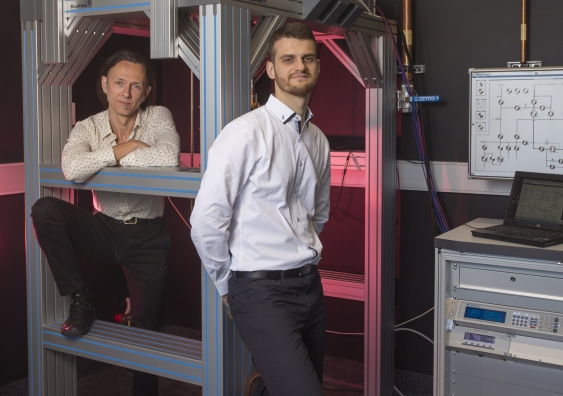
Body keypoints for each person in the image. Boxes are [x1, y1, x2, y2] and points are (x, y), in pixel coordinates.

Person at [190, 23, 330, 396]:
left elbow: (317, 214)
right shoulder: (244, 133)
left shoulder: (317, 139)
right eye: (288, 59)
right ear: (270, 68)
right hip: (260, 291)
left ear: (317, 66)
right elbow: (206, 222)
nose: (298, 66)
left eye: (307, 58)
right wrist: (228, 287)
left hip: (309, 286)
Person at [30, 49, 180, 395]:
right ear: (105, 85)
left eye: (135, 86)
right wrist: (121, 151)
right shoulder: (89, 126)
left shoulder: (158, 116)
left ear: (146, 92)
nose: (126, 93)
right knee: (45, 209)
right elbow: (72, 168)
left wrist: (104, 160)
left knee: (148, 328)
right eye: (119, 83)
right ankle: (81, 298)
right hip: (105, 228)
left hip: (148, 237)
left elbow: (167, 156)